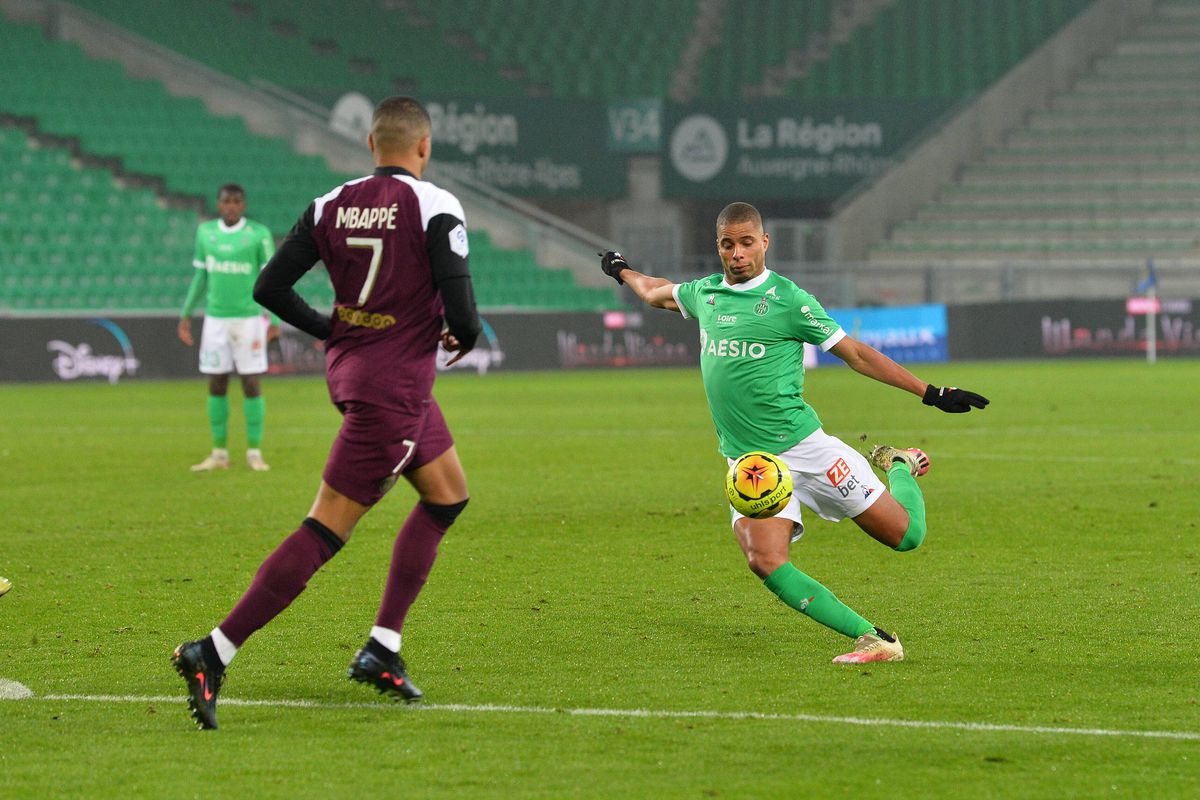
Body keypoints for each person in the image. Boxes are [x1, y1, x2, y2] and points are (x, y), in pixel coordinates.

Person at [171, 96, 482, 729]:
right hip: (394, 390)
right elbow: (464, 316)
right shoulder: (435, 205)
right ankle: (214, 649)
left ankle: (382, 648)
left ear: (371, 144)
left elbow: (268, 287)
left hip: (356, 371)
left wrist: (331, 328)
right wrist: (462, 336)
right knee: (326, 528)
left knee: (447, 495)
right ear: (424, 147)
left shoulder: (329, 203)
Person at [598, 202, 988, 664]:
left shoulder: (789, 300)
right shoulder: (705, 294)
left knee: (906, 536)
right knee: (764, 561)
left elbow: (856, 354)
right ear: (718, 247)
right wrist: (621, 270)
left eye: (747, 243)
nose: (738, 253)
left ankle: (900, 464)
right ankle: (874, 638)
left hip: (805, 448)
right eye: (728, 244)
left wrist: (931, 392)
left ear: (764, 242)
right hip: (752, 465)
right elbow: (653, 291)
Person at [178, 183, 280, 472]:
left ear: (243, 205)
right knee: (216, 382)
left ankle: (254, 452)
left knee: (251, 382)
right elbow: (201, 277)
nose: (231, 206)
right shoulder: (205, 233)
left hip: (249, 319)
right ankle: (219, 453)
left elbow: (272, 280)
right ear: (219, 204)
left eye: (236, 201)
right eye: (226, 201)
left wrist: (274, 320)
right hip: (215, 320)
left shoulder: (258, 235)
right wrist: (186, 314)